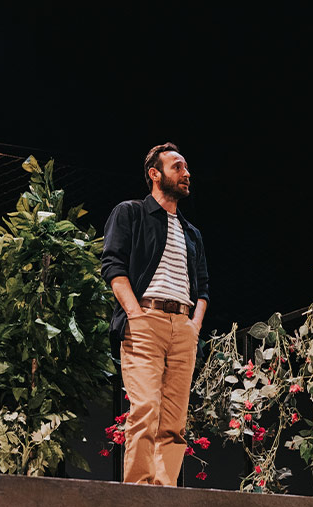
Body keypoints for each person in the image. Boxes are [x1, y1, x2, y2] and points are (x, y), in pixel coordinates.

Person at [101, 141, 210, 486]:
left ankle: (164, 497)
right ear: (155, 174)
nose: (186, 173)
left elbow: (203, 288)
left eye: (186, 167)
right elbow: (113, 267)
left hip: (183, 327)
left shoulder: (192, 233)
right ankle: (137, 494)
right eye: (177, 167)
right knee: (146, 409)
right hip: (146, 319)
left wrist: (194, 326)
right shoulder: (131, 213)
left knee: (174, 422)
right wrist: (135, 315)